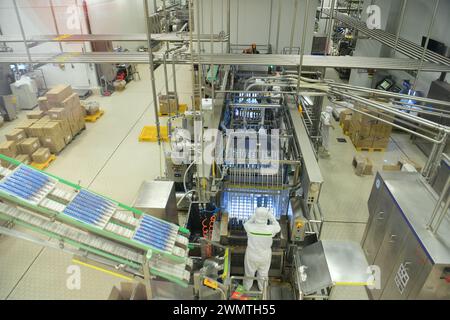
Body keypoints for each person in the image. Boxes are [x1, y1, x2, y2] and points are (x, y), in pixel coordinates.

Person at [243, 207, 281, 291]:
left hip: (251, 255)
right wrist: (270, 217)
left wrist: (254, 217)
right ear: (266, 217)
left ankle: (246, 289)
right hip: (265, 256)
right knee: (263, 274)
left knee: (249, 274)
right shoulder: (270, 229)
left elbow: (246, 223)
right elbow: (278, 227)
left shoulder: (250, 228)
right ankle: (262, 290)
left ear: (255, 216)